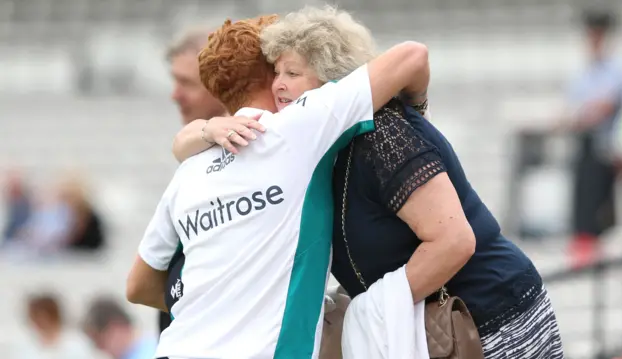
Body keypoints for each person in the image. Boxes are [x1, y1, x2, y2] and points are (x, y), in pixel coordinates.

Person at [172, 6, 564, 358]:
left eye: (293, 73)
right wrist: (207, 128)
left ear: (332, 78)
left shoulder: (382, 135)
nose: (279, 85)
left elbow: (454, 242)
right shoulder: (316, 145)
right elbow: (181, 145)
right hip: (435, 329)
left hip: (489, 319)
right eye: (276, 73)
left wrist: (369, 310)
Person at [126, 10, 431, 359]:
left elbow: (137, 287)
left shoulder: (189, 168)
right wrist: (417, 114)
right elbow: (411, 56)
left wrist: (222, 301)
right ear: (272, 70)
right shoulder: (299, 126)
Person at [159, 25, 235, 335]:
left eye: (185, 83)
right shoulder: (195, 157)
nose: (174, 95)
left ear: (222, 83)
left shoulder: (255, 159)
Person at [561, 9, 622, 267]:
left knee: (601, 203)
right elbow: (575, 110)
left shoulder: (617, 69)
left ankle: (597, 247)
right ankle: (583, 246)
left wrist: (585, 113)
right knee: (582, 196)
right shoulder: (584, 70)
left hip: (608, 147)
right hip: (586, 143)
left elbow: (606, 106)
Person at [9, 294, 95, 359]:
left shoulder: (76, 342)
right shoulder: (26, 344)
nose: (34, 321)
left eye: (37, 316)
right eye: (32, 316)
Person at [82, 297, 157, 359]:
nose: (101, 349)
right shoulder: (156, 340)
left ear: (116, 326)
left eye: (100, 341)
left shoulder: (155, 351)